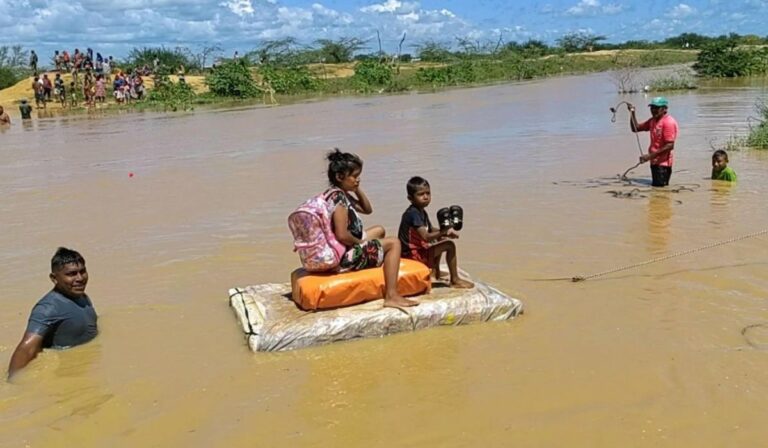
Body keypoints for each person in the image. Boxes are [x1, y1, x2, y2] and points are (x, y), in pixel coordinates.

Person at [324, 148, 416, 308]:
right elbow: (342, 235)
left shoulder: (338, 193)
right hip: (344, 255)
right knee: (394, 243)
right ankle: (391, 295)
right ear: (340, 177)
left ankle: (381, 260)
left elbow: (367, 209)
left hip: (344, 247)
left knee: (379, 230)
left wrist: (355, 188)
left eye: (359, 176)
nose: (358, 180)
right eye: (354, 176)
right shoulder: (338, 199)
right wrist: (359, 243)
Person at [7, 248, 98, 380]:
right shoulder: (48, 308)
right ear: (54, 278)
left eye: (82, 271)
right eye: (71, 274)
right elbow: (26, 349)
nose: (80, 278)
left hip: (88, 368)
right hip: (67, 375)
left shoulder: (81, 296)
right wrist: (13, 384)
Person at [398, 176, 474, 288]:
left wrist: (446, 232)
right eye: (421, 194)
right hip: (412, 255)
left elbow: (430, 229)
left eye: (428, 193)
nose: (425, 197)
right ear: (410, 198)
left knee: (441, 239)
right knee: (449, 245)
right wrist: (442, 232)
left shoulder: (420, 211)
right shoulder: (413, 214)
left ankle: (435, 271)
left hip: (416, 251)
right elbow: (426, 237)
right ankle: (455, 280)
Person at [628, 97, 679, 187]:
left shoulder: (668, 122)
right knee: (657, 190)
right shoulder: (653, 121)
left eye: (657, 108)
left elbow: (670, 145)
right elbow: (635, 128)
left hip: (663, 164)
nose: (653, 110)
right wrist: (632, 113)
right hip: (654, 162)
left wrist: (649, 156)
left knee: (660, 192)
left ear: (664, 109)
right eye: (652, 108)